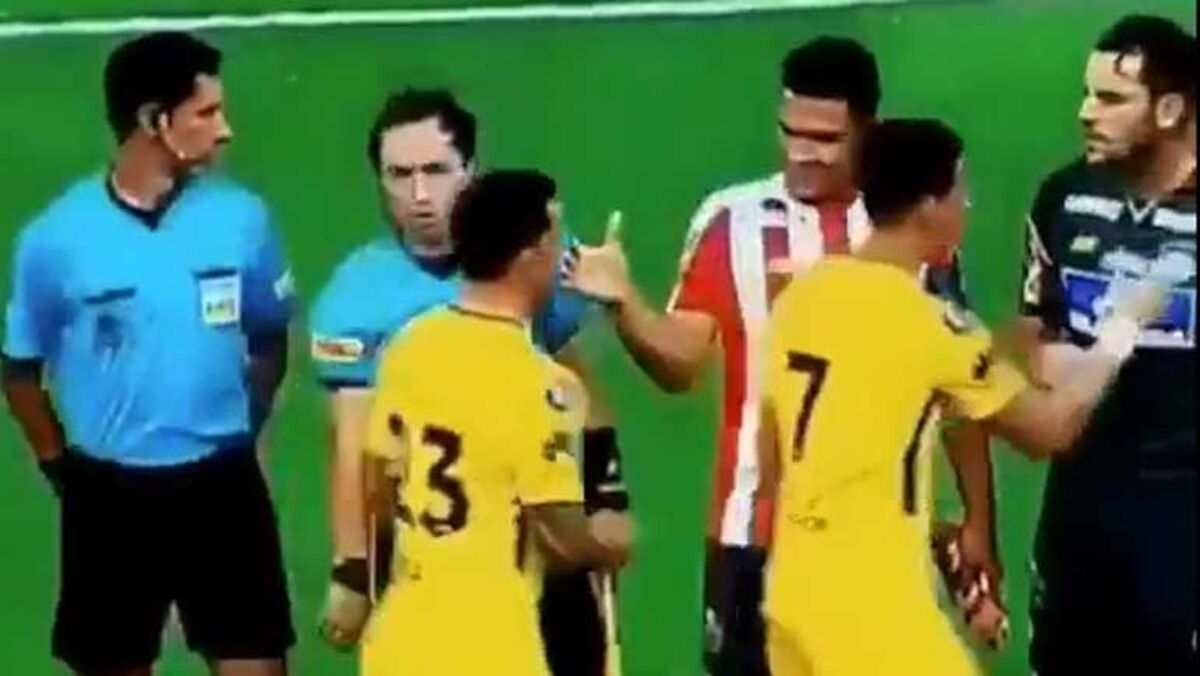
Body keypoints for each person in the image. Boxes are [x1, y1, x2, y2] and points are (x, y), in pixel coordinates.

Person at [565, 36, 1001, 673]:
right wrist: (624, 302)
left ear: (867, 133)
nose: (802, 153)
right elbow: (681, 364)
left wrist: (977, 523)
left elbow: (959, 389)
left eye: (825, 139)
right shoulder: (729, 219)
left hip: (872, 551)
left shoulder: (906, 233)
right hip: (747, 531)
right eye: (790, 131)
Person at [759, 118, 1167, 676]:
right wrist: (1122, 328)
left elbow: (777, 457)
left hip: (792, 596)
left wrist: (924, 527)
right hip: (872, 609)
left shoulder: (801, 297)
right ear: (929, 205)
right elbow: (1051, 429)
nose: (966, 206)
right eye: (960, 190)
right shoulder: (931, 324)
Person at [1, 32, 294, 676]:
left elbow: (270, 336)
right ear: (154, 121)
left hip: (223, 487)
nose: (225, 130)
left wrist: (242, 428)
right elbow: (18, 367)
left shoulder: (243, 218)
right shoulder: (56, 239)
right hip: (110, 497)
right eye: (206, 113)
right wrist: (61, 467)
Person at [312, 89, 629, 676]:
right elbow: (355, 447)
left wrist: (608, 490)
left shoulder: (522, 272)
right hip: (482, 574)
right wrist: (353, 569)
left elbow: (584, 392)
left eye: (435, 171)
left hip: (522, 566)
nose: (420, 195)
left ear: (470, 170)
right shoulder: (356, 298)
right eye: (400, 175)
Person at [1019, 15, 1197, 675]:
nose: (1086, 113)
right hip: (1083, 496)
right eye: (1088, 94)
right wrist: (1051, 362)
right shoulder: (1064, 197)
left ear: (1171, 109)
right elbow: (1036, 327)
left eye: (1112, 99)